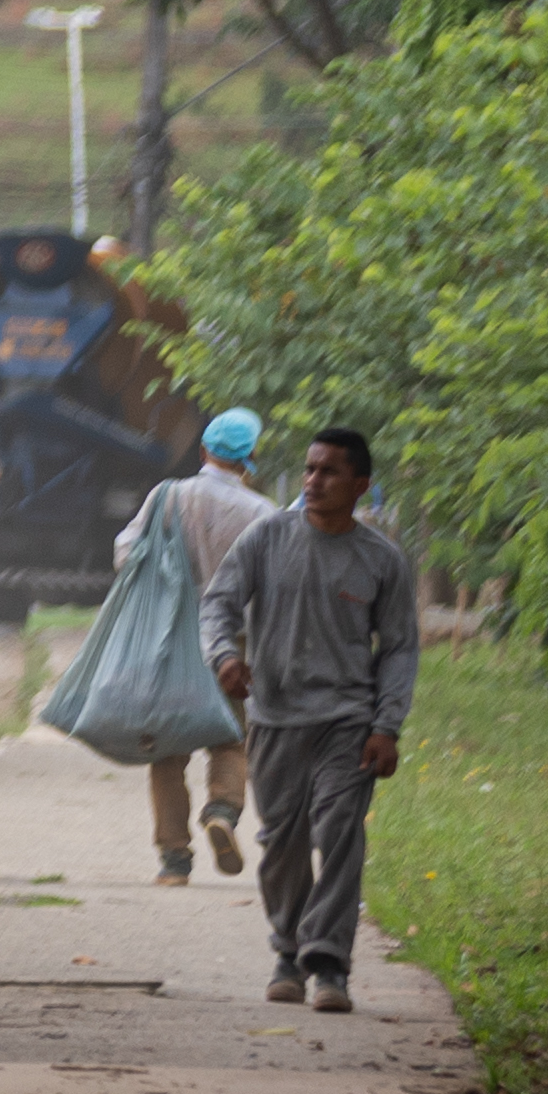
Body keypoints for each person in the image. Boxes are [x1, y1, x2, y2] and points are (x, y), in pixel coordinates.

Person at [208, 425, 417, 1011]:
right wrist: (225, 655)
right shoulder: (266, 539)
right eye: (309, 469)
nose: (313, 481)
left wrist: (386, 724)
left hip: (347, 720)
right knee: (282, 842)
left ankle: (327, 963)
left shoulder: (381, 560)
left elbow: (399, 648)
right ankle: (287, 950)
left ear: (360, 485)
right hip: (274, 718)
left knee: (339, 831)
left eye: (328, 472)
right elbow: (219, 603)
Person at [137, 414, 276, 888]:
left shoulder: (167, 497)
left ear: (202, 451)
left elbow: (125, 554)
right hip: (233, 643)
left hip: (170, 641)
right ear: (250, 458)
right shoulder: (262, 513)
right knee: (231, 738)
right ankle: (222, 811)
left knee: (167, 751)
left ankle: (174, 861)